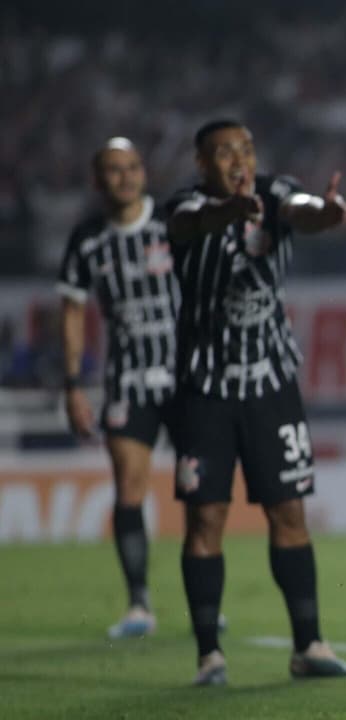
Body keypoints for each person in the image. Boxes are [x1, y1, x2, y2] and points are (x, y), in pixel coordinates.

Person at [165, 119, 346, 685]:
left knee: (289, 513)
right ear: (203, 164)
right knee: (206, 517)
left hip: (272, 385)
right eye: (224, 151)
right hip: (205, 391)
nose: (238, 158)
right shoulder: (182, 205)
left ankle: (309, 647)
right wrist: (230, 212)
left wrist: (327, 211)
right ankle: (209, 656)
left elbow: (303, 207)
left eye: (246, 148)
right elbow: (190, 224)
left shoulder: (275, 195)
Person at [57, 137, 178, 639]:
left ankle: (203, 597)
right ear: (97, 179)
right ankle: (139, 604)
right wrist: (73, 385)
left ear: (143, 172)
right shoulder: (87, 240)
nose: (125, 177)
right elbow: (72, 312)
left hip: (186, 376)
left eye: (132, 167)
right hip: (127, 379)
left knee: (202, 492)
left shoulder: (174, 225)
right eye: (113, 169)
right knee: (130, 485)